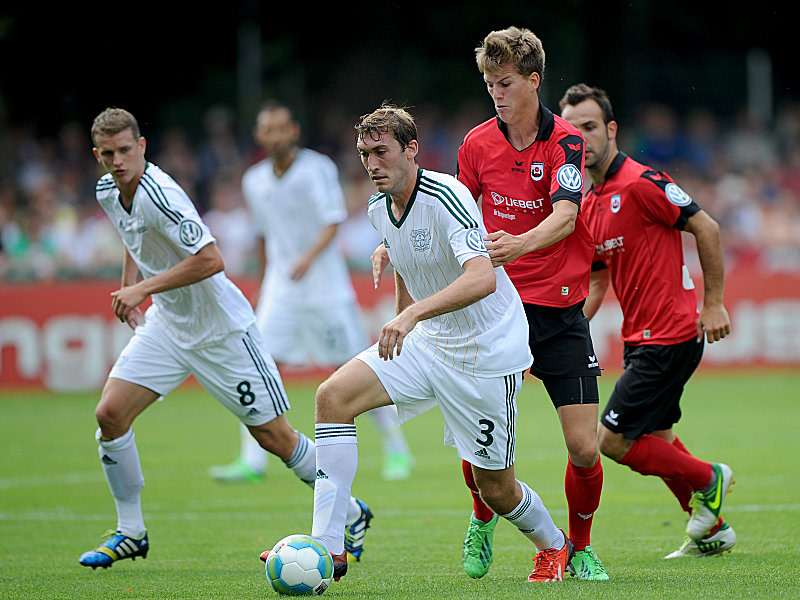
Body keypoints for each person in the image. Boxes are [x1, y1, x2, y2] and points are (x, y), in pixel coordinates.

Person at [78, 107, 371, 569]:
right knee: (109, 414)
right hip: (169, 326)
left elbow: (211, 259)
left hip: (223, 331)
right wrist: (132, 287)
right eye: (109, 153)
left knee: (275, 438)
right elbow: (133, 241)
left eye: (126, 151)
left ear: (142, 148)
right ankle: (130, 531)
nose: (118, 161)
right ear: (98, 155)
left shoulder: (163, 195)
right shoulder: (106, 192)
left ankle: (351, 512)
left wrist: (141, 289)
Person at [298, 103, 573, 584]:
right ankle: (328, 547)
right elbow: (409, 265)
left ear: (411, 150)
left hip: (486, 352)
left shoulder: (448, 195)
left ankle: (554, 545)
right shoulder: (378, 208)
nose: (372, 164)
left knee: (495, 490)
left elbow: (483, 278)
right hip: (429, 343)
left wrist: (409, 315)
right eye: (364, 154)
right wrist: (404, 316)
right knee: (332, 397)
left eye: (381, 152)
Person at [455, 26, 607, 580]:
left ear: (534, 81)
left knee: (585, 448)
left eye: (507, 82)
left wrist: (517, 243)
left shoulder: (566, 141)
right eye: (490, 83)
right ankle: (481, 518)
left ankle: (581, 546)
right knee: (482, 442)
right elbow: (453, 211)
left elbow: (567, 217)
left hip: (559, 311)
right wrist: (392, 237)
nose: (496, 92)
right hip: (496, 310)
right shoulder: (475, 144)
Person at [559, 84, 735, 557]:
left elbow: (707, 226)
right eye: (572, 131)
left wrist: (713, 303)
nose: (582, 138)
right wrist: (566, 331)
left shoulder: (641, 182)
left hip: (672, 333)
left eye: (590, 127)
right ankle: (711, 528)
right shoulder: (588, 205)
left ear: (611, 130)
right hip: (642, 338)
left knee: (611, 442)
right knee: (657, 437)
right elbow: (597, 284)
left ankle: (709, 478)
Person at [208, 101, 413, 486]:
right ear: (259, 136)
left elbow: (332, 222)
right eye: (267, 130)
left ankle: (397, 448)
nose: (275, 136)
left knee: (361, 368)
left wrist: (306, 259)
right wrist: (265, 285)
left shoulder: (317, 168)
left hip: (326, 291)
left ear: (294, 131)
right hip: (281, 292)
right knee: (257, 367)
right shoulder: (254, 180)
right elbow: (263, 237)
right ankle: (252, 459)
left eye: (281, 128)